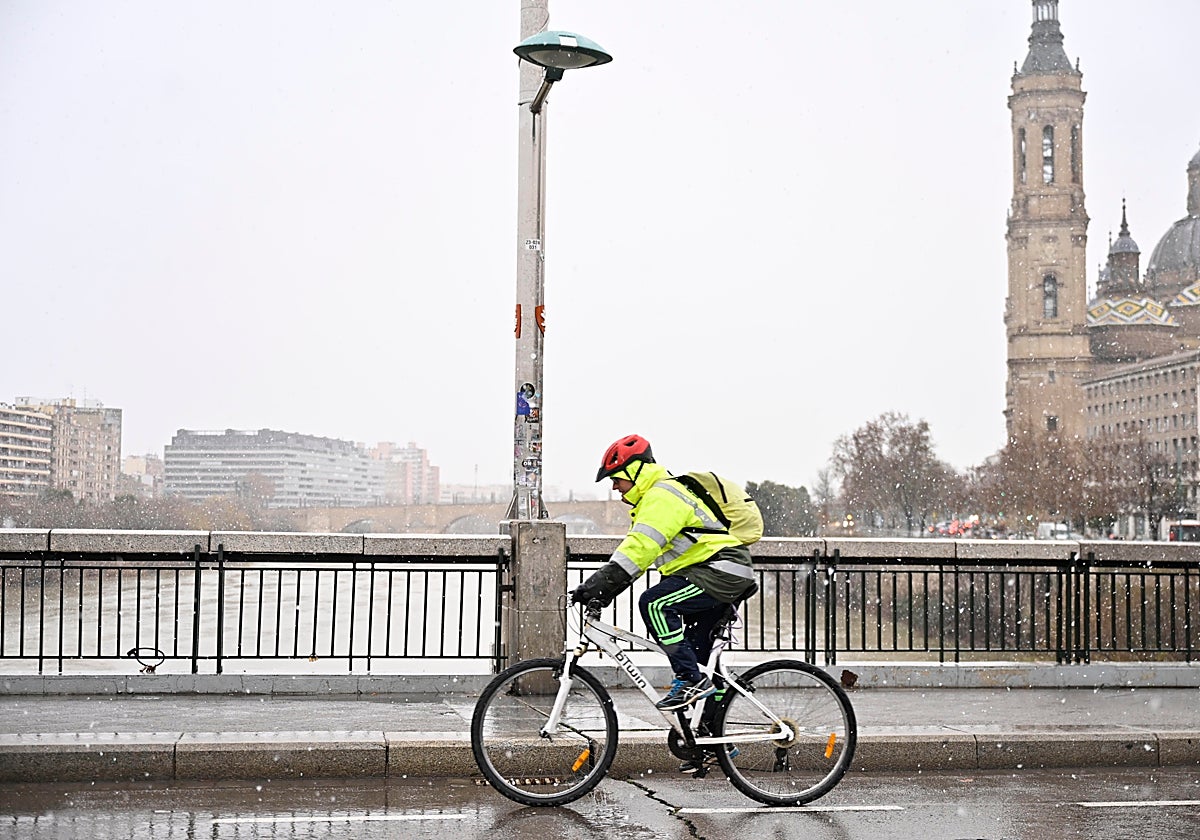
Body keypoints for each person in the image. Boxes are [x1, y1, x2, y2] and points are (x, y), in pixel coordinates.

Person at [570, 434, 756, 716]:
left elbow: (639, 550)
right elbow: (641, 558)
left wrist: (597, 586)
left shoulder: (662, 496)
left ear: (635, 471)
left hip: (720, 570)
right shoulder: (657, 497)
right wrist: (604, 593)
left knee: (654, 603)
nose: (614, 486)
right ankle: (710, 745)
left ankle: (690, 679)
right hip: (712, 571)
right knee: (700, 660)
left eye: (616, 477)